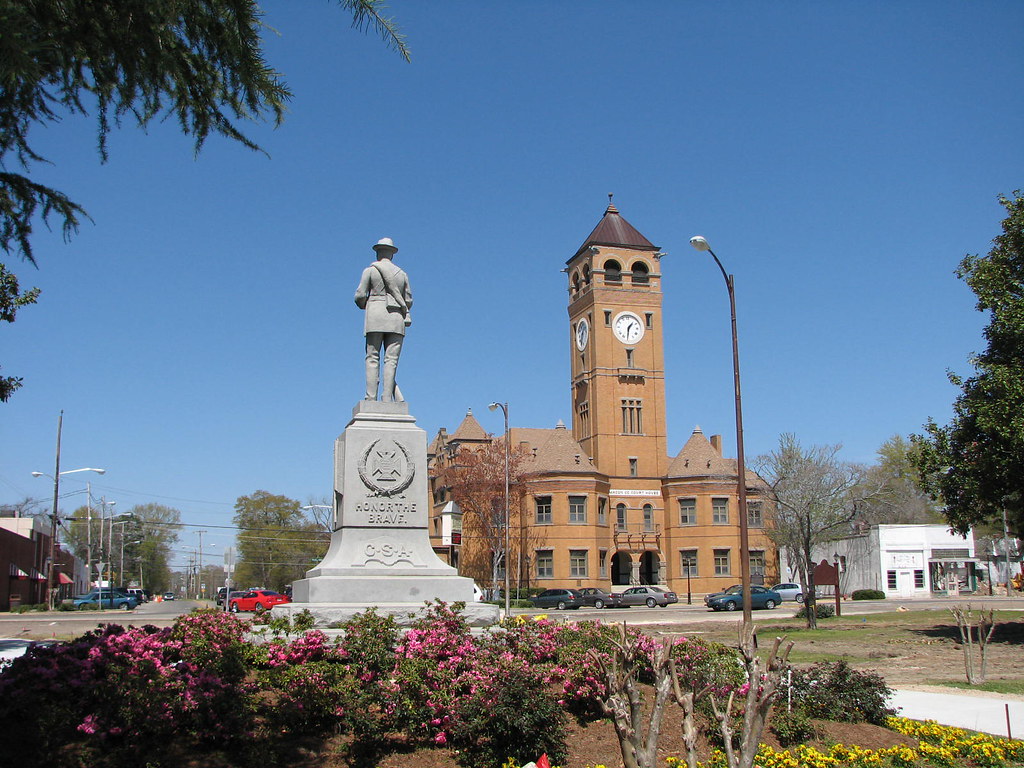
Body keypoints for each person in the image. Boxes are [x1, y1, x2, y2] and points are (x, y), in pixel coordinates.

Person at [354, 237, 413, 401]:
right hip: (396, 317)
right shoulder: (402, 274)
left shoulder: (370, 271)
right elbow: (408, 300)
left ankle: (371, 397)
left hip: (375, 314)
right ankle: (387, 398)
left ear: (378, 252)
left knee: (372, 357)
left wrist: (365, 304)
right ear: (392, 254)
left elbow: (359, 295)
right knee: (391, 360)